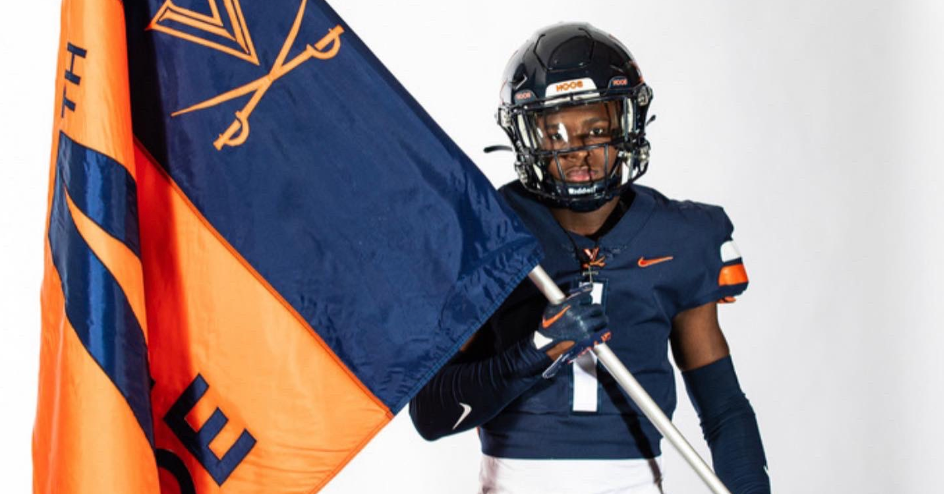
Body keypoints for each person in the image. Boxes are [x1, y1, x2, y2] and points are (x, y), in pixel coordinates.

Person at [409, 23, 769, 494]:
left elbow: (723, 409)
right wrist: (537, 350)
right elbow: (429, 413)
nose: (579, 152)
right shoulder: (493, 230)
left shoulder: (681, 236)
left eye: (596, 130)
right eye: (556, 134)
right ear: (528, 137)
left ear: (626, 126)